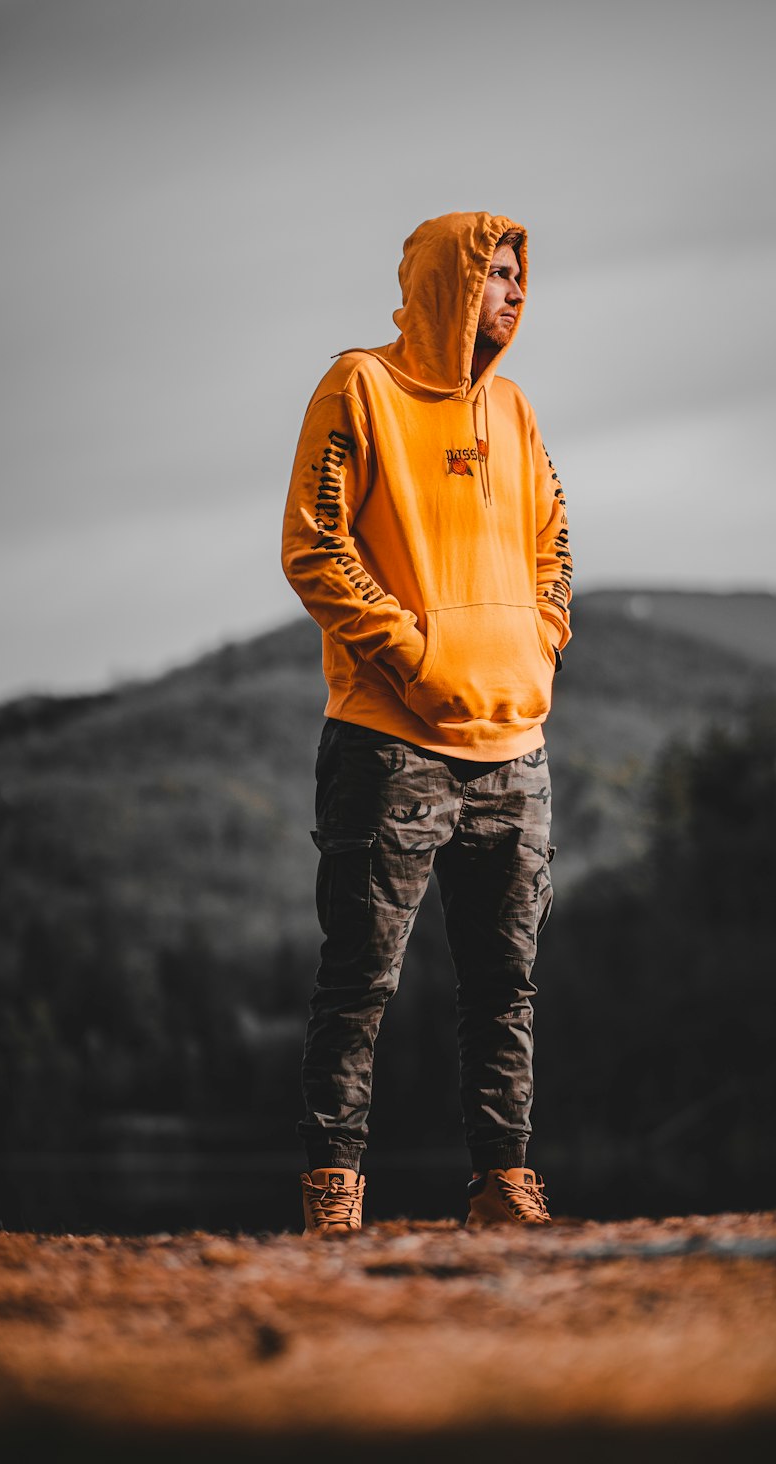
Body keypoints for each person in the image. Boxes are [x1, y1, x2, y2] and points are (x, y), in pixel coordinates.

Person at [282, 211, 572, 1234]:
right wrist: (412, 654)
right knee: (360, 979)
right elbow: (315, 546)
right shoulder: (359, 386)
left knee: (506, 985)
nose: (511, 292)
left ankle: (504, 1181)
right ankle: (334, 1189)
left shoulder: (519, 411)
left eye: (518, 275)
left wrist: (539, 642)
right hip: (388, 741)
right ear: (450, 281)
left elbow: (553, 547)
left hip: (515, 749)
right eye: (492, 273)